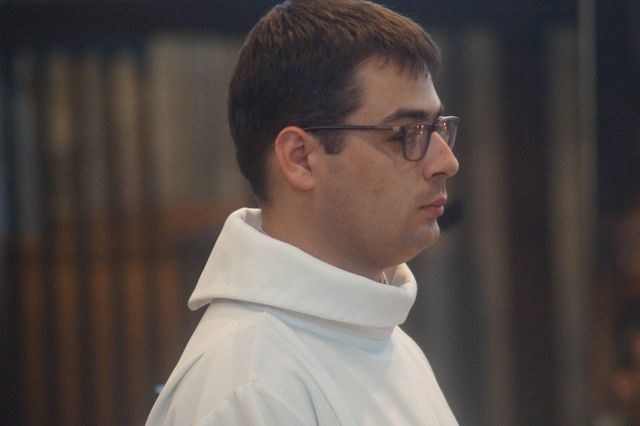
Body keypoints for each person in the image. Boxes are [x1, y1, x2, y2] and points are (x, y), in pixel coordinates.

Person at [147, 0, 460, 424]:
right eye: (407, 133)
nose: (446, 161)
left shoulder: (391, 342)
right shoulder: (250, 388)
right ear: (300, 158)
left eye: (438, 128)